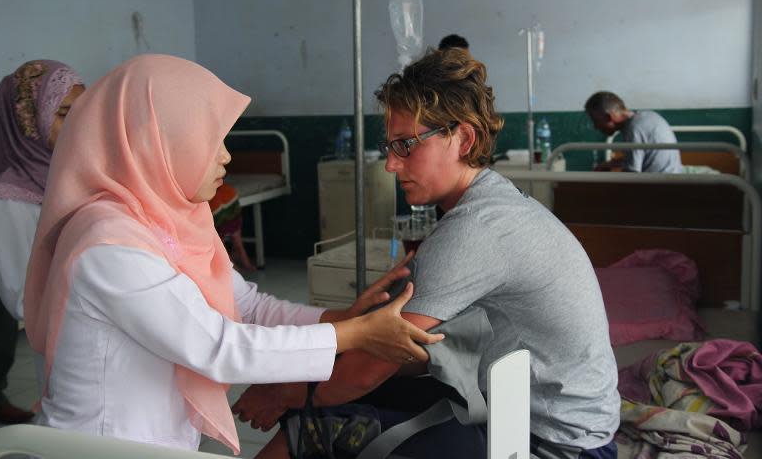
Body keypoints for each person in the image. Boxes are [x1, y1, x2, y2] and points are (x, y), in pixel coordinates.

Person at [22, 54, 443, 454]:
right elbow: (221, 347)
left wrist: (341, 319)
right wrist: (355, 335)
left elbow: (246, 304)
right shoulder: (108, 246)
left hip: (153, 442)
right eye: (212, 142)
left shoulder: (168, 218)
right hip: (97, 448)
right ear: (159, 143)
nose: (226, 156)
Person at [232, 49, 620, 459]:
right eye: (390, 146)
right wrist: (303, 382)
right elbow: (411, 350)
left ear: (463, 139)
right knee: (341, 399)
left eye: (406, 145)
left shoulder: (477, 230)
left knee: (313, 427)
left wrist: (286, 393)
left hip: (555, 443)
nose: (391, 165)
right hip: (548, 417)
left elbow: (369, 368)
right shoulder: (493, 203)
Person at [0, 59, 84, 425]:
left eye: (82, 111)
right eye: (64, 113)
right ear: (27, 121)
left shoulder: (79, 175)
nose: (78, 124)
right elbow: (23, 298)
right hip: (67, 342)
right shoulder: (9, 199)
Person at [584, 91, 683, 173]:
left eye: (595, 121)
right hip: (673, 181)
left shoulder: (634, 129)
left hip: (662, 189)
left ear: (609, 117)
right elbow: (644, 158)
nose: (596, 127)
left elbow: (631, 175)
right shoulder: (647, 116)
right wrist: (611, 164)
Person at [209, 182, 255, 273]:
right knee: (234, 240)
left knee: (220, 242)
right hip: (227, 204)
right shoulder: (228, 190)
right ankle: (239, 256)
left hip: (220, 207)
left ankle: (233, 261)